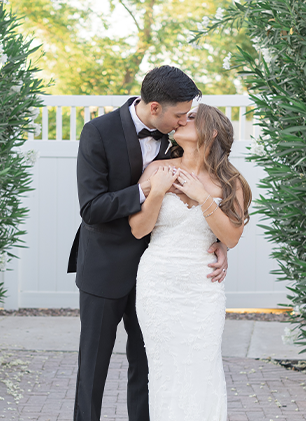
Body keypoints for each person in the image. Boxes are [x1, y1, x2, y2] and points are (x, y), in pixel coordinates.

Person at [68, 65, 230, 421]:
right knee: (92, 368)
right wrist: (143, 191)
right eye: (179, 115)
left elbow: (201, 194)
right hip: (104, 269)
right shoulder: (98, 132)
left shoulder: (174, 138)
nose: (183, 121)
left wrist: (218, 241)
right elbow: (91, 208)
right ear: (154, 107)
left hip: (157, 275)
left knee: (148, 367)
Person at [129, 103, 252, 421]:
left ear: (211, 132)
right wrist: (156, 194)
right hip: (158, 284)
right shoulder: (158, 169)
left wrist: (202, 196)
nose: (182, 120)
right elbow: (138, 229)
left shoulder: (231, 183)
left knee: (202, 367)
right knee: (164, 372)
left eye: (192, 117)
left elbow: (232, 237)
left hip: (202, 287)